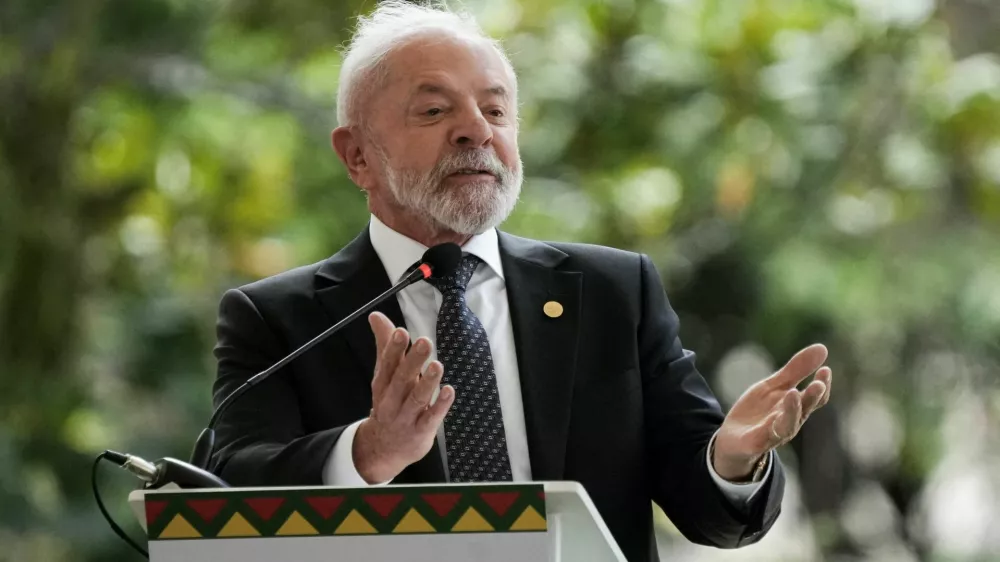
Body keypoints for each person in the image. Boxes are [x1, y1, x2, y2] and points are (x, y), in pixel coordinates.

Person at [208, 2, 833, 561]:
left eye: (496, 108)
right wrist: (366, 453)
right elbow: (225, 486)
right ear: (357, 155)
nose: (476, 130)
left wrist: (732, 459)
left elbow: (710, 516)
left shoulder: (614, 290)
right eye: (433, 109)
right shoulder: (279, 319)